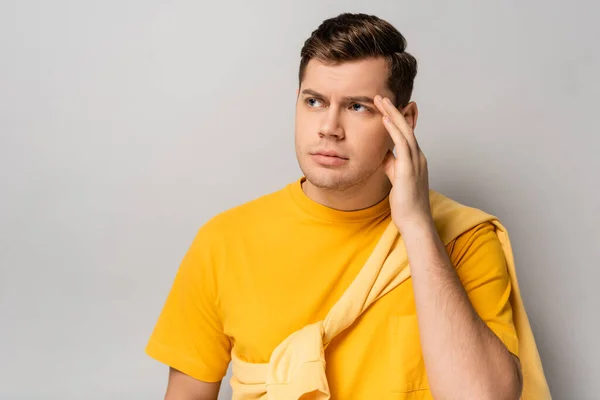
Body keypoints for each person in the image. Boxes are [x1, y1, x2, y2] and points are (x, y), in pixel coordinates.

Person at [146, 12, 549, 400]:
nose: (329, 128)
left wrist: (416, 225)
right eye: (315, 102)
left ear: (404, 120)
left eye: (358, 107)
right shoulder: (223, 242)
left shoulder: (465, 239)